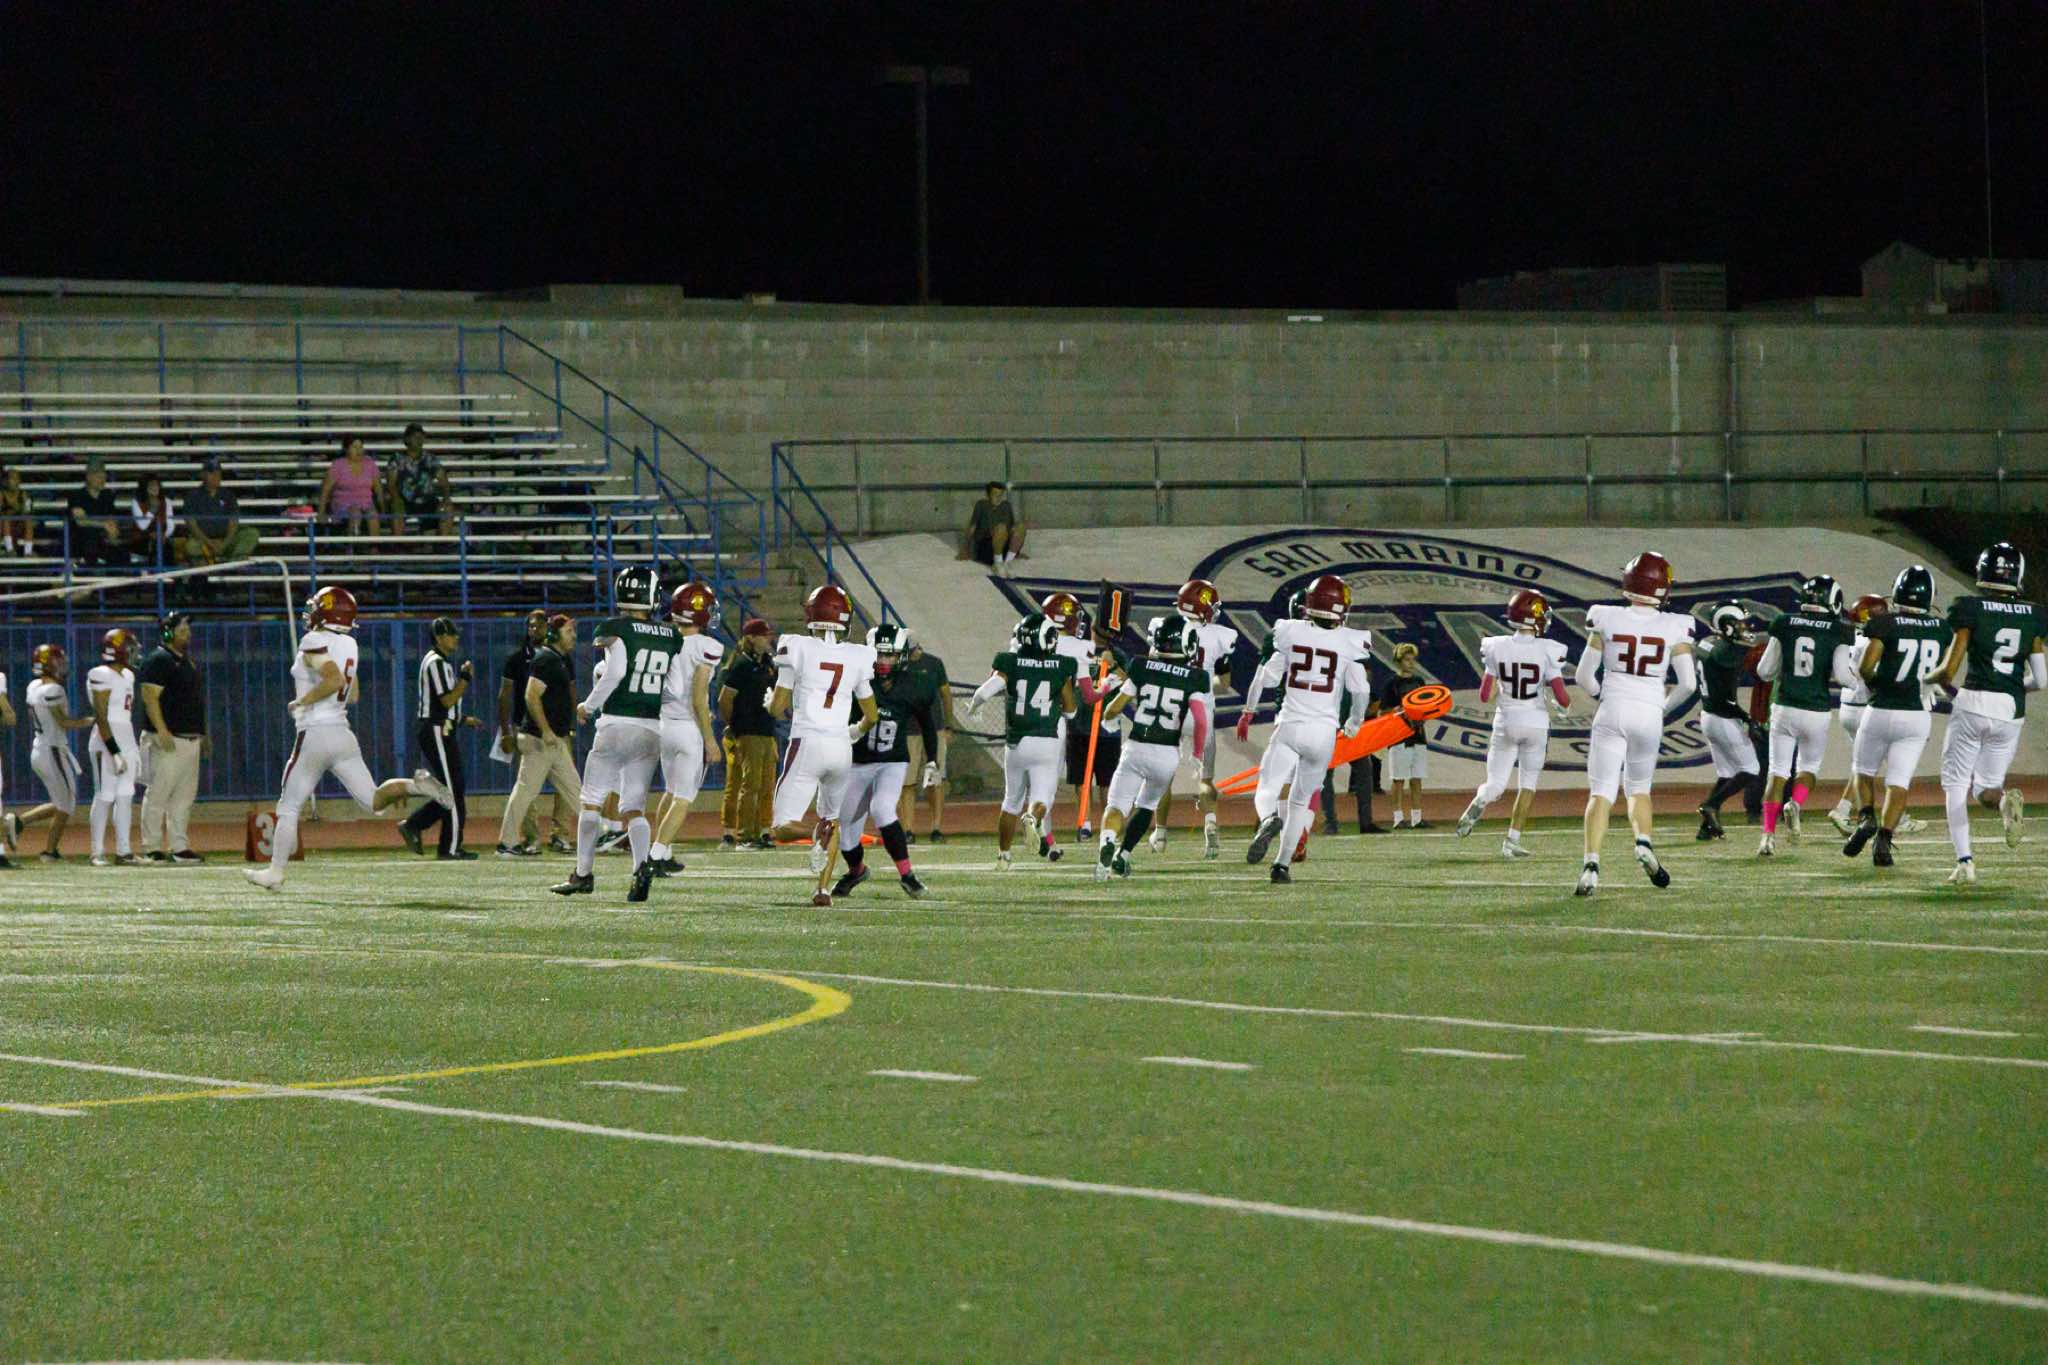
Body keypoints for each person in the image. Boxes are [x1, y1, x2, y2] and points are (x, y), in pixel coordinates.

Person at [244, 587, 454, 891]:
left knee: (288, 807)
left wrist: (302, 702)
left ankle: (276, 872)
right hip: (342, 734)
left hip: (315, 733)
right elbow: (352, 693)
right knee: (373, 800)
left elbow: (335, 680)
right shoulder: (350, 644)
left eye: (317, 606)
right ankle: (417, 785)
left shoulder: (313, 640)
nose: (311, 612)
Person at [1572, 551, 1697, 897]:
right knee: (1639, 788)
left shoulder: (1606, 617)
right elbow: (1688, 684)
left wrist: (1603, 696)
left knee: (1601, 792)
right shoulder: (1675, 625)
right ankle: (1643, 842)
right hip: (1648, 713)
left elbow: (1583, 676)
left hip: (1613, 708)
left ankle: (1591, 866)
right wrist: (1660, 708)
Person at [552, 566, 677, 902]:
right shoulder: (669, 634)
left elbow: (617, 671)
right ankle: (640, 870)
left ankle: (583, 874)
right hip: (651, 727)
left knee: (591, 801)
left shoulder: (615, 628)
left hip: (616, 723)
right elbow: (672, 689)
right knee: (634, 807)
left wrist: (588, 705)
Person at [1236, 574, 1370, 883]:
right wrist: (1354, 722)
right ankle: (1281, 866)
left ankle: (1269, 819)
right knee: (1300, 801)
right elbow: (1361, 690)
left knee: (1267, 788)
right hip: (1323, 733)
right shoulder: (1349, 641)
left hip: (1290, 725)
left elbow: (1266, 677)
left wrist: (1248, 711)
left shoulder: (1290, 631)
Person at [1933, 542, 2044, 883]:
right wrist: (2008, 690)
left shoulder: (1969, 608)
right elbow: (2042, 680)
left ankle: (1965, 861)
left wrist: (1928, 682)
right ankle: (2003, 802)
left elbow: (1948, 671)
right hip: (2010, 711)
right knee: (1986, 790)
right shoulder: (2034, 614)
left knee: (1955, 785)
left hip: (1973, 703)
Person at [764, 584, 881, 905]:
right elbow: (871, 715)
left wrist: (769, 702)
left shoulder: (797, 647)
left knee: (781, 826)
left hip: (808, 743)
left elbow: (777, 707)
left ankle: (814, 834)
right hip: (841, 748)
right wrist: (853, 733)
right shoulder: (857, 655)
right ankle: (823, 889)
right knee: (832, 819)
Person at [1843, 565, 1953, 871]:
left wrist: (1880, 685)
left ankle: (1866, 818)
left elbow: (1866, 668)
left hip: (1880, 710)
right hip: (1916, 715)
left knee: (1863, 771)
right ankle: (1884, 838)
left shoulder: (1884, 623)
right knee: (1899, 783)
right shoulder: (1942, 629)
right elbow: (1942, 670)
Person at [1455, 588, 1572, 856]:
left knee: (1496, 784)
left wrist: (1503, 689)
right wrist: (1564, 705)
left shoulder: (1496, 646)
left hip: (1506, 719)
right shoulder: (1548, 649)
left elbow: (1484, 695)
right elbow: (1562, 696)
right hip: (1535, 721)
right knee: (1527, 785)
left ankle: (1482, 798)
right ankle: (1512, 841)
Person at [1094, 615, 1211, 880]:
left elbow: (1115, 706)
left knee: (1116, 805)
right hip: (1166, 753)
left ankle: (1107, 845)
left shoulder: (1141, 666)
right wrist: (1197, 753)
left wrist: (1107, 720)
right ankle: (1123, 855)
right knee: (1146, 806)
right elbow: (1201, 721)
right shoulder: (1196, 677)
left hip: (1136, 747)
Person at [1752, 575, 1856, 856]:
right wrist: (1861, 683)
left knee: (1777, 773)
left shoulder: (1784, 623)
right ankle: (1795, 804)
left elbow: (1764, 671)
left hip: (1785, 707)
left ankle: (1767, 836)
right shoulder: (1839, 629)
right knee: (1808, 769)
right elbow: (1843, 676)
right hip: (1816, 710)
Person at [969, 612, 1079, 871]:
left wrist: (974, 707)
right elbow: (1071, 711)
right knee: (1042, 798)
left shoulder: (1010, 661)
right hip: (1046, 742)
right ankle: (1033, 817)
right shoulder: (1061, 665)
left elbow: (986, 690)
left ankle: (1003, 855)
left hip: (1017, 744)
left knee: (1011, 801)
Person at [829, 622, 929, 899]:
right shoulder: (857, 680)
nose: (884, 661)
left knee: (883, 809)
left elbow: (927, 722)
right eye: (879, 654)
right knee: (846, 825)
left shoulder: (911, 685)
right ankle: (856, 871)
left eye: (890, 655)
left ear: (901, 656)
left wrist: (932, 760)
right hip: (858, 761)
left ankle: (907, 876)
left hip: (891, 762)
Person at [1148, 578, 1238, 858]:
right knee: (1205, 779)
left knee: (1164, 777)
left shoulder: (1163, 627)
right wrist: (1202, 683)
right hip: (1202, 714)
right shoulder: (1220, 636)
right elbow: (1224, 684)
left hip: (1170, 710)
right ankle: (1210, 824)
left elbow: (1154, 667)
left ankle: (1160, 834)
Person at [648, 580, 724, 876]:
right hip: (688, 729)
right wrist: (710, 740)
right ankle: (654, 856)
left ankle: (664, 852)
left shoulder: (664, 639)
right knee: (683, 797)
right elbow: (698, 698)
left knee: (670, 792)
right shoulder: (706, 646)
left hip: (664, 724)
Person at [398, 618, 482, 860]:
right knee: (453, 789)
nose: (456, 638)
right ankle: (448, 846)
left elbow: (442, 705)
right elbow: (446, 700)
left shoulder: (441, 663)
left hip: (441, 728)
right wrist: (465, 679)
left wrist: (463, 719)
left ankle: (418, 826)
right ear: (439, 637)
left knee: (453, 788)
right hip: (435, 730)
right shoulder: (435, 662)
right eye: (451, 634)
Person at [500, 614, 584, 858]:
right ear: (555, 635)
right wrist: (546, 730)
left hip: (553, 740)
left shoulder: (558, 659)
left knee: (575, 790)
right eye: (569, 631)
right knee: (526, 792)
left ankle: (597, 833)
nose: (574, 636)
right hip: (540, 740)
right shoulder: (546, 659)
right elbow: (530, 695)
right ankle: (506, 842)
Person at [6, 644, 95, 861]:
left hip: (41, 748)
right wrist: (91, 721)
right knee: (67, 804)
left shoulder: (34, 686)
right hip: (52, 750)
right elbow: (63, 722)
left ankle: (20, 822)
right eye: (59, 662)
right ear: (49, 665)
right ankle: (49, 851)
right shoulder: (54, 690)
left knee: (61, 802)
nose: (62, 666)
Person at [136, 611, 208, 864]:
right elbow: (149, 697)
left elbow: (194, 701)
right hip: (169, 738)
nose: (188, 635)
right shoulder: (159, 660)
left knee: (184, 797)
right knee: (159, 793)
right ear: (167, 633)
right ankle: (152, 846)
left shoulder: (187, 662)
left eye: (188, 630)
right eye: (182, 631)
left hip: (189, 738)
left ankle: (179, 845)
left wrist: (203, 734)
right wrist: (162, 729)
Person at [1690, 604, 1763, 842]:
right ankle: (1710, 806)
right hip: (1722, 718)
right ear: (1727, 625)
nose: (1745, 628)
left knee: (1726, 773)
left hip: (1708, 716)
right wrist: (1747, 718)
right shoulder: (1726, 654)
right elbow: (1728, 699)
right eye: (1740, 623)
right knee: (1750, 770)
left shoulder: (1707, 642)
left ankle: (1706, 827)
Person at [718, 617, 779, 850]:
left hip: (766, 729)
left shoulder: (768, 664)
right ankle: (743, 835)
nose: (768, 639)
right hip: (748, 731)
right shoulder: (741, 665)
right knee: (748, 785)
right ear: (751, 638)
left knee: (766, 785)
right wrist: (735, 725)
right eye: (764, 635)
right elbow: (725, 699)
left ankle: (763, 830)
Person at [85, 629, 142, 866]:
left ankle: (124, 851)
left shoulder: (128, 675)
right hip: (105, 739)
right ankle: (97, 852)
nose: (134, 653)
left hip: (126, 735)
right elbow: (101, 716)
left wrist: (129, 747)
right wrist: (114, 750)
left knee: (126, 795)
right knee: (105, 795)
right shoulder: (100, 674)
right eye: (130, 648)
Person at [894, 635, 954, 843]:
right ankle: (907, 830)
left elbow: (946, 694)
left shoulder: (933, 664)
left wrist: (948, 725)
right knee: (907, 783)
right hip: (908, 731)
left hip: (932, 729)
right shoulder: (898, 665)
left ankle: (936, 827)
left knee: (934, 781)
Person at [1372, 643, 1435, 828]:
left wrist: (1423, 716)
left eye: (1412, 659)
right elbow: (1382, 712)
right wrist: (1399, 710)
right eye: (1407, 659)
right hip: (1399, 737)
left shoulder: (1419, 681)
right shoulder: (1391, 683)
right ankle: (1398, 818)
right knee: (1398, 779)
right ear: (1399, 661)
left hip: (1418, 735)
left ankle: (1416, 818)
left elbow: (1425, 706)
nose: (1411, 663)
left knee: (1417, 778)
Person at [174, 457, 261, 566]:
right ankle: (207, 568)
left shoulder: (228, 495)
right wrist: (210, 543)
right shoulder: (192, 496)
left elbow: (233, 523)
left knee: (251, 533)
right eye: (211, 473)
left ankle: (231, 565)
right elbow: (192, 525)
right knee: (191, 546)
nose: (216, 476)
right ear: (203, 475)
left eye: (218, 473)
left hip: (226, 540)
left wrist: (224, 544)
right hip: (203, 542)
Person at [385, 422, 455, 537]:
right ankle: (398, 543)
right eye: (415, 437)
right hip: (405, 501)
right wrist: (397, 499)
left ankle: (442, 544)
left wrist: (446, 498)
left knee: (448, 509)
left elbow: (443, 480)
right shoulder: (397, 459)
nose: (419, 440)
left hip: (428, 501)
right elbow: (391, 483)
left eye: (421, 437)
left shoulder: (430, 458)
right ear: (407, 439)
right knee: (396, 509)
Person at [317, 435, 383, 538]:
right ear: (346, 449)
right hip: (343, 504)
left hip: (366, 504)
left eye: (360, 447)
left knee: (372, 514)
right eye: (354, 447)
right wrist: (321, 512)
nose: (358, 451)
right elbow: (325, 490)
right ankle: (353, 543)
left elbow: (379, 490)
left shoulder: (370, 465)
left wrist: (383, 509)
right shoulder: (338, 465)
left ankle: (374, 545)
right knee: (355, 512)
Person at [66, 460, 128, 567]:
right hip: (82, 542)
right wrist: (103, 525)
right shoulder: (77, 496)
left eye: (104, 476)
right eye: (98, 476)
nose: (102, 479)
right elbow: (81, 521)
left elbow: (111, 519)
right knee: (90, 539)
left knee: (122, 553)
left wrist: (113, 534)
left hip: (102, 541)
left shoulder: (107, 496)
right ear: (88, 477)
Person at [958, 481, 1027, 576]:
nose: (998, 497)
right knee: (1001, 528)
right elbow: (972, 527)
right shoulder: (981, 505)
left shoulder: (1006, 506)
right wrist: (965, 549)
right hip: (986, 548)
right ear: (988, 495)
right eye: (995, 494)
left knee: (1020, 526)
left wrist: (1017, 551)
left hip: (1003, 545)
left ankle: (1007, 562)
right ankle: (997, 564)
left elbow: (1013, 530)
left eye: (1001, 495)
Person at [127, 474, 177, 563]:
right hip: (142, 538)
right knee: (148, 546)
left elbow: (171, 524)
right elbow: (142, 526)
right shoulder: (136, 502)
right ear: (144, 488)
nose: (154, 487)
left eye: (156, 485)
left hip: (161, 537)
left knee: (166, 548)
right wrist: (152, 509)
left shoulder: (167, 501)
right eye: (151, 485)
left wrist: (164, 535)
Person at [1, 462, 34, 556]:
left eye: (15, 478)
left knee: (28, 521)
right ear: (5, 481)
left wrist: (16, 510)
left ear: (19, 481)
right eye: (10, 478)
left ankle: (28, 552)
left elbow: (27, 511)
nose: (12, 481)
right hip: (3, 526)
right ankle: (10, 550)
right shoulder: (2, 494)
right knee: (5, 519)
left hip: (17, 525)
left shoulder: (23, 494)